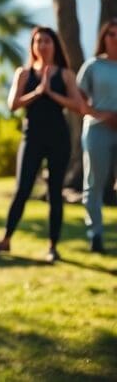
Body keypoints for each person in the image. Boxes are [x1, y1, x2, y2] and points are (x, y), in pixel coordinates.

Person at [0, 27, 82, 263]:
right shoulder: (24, 74)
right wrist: (39, 92)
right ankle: (6, 239)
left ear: (54, 45)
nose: (42, 45)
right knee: (22, 189)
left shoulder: (65, 74)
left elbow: (78, 105)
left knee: (54, 192)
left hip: (58, 138)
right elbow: (13, 104)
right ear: (33, 46)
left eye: (47, 41)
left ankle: (52, 246)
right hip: (32, 138)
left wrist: (52, 93)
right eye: (37, 41)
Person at [77, 17, 117, 254]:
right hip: (97, 130)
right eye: (111, 34)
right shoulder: (93, 66)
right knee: (94, 183)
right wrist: (102, 115)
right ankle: (96, 235)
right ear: (104, 38)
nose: (115, 39)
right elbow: (79, 98)